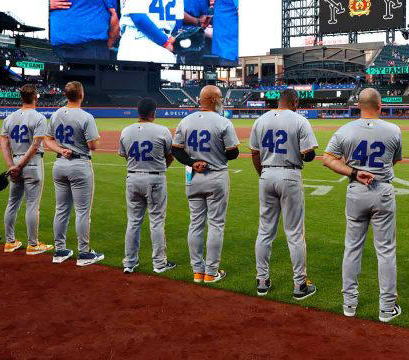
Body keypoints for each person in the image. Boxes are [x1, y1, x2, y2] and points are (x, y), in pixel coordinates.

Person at [322, 88, 402, 323]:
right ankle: (387, 308)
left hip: (356, 189)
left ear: (358, 105)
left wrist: (354, 171)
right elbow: (395, 160)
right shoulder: (393, 129)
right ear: (380, 106)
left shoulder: (345, 130)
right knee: (386, 251)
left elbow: (327, 159)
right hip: (382, 189)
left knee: (352, 248)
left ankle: (349, 303)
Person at [249, 89, 318, 300]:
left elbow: (254, 152)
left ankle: (262, 280)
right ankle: (299, 285)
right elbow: (309, 155)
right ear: (295, 102)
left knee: (265, 231)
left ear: (279, 101)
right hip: (289, 175)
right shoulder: (300, 121)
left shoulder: (260, 120)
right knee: (295, 233)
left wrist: (264, 174)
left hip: (267, 174)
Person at [172, 85, 239, 283]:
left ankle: (197, 271)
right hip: (216, 175)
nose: (221, 101)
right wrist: (216, 153)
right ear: (211, 99)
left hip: (193, 177)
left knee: (195, 224)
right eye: (219, 98)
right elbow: (233, 152)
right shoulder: (223, 122)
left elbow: (176, 150)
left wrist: (193, 162)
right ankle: (211, 272)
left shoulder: (185, 121)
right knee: (216, 224)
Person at [44, 81, 104, 266]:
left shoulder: (56, 114)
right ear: (81, 94)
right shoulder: (86, 116)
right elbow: (93, 145)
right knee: (82, 211)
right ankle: (84, 253)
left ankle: (60, 250)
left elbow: (48, 140)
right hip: (79, 164)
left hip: (60, 164)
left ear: (66, 95)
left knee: (61, 209)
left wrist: (61, 150)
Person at [119, 98, 176, 274]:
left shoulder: (126, 131)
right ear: (153, 112)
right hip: (155, 178)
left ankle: (129, 262)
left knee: (133, 222)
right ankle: (159, 263)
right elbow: (170, 155)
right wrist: (159, 168)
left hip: (133, 177)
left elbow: (125, 155)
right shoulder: (162, 130)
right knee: (157, 222)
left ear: (138, 112)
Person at [0, 85, 54, 255]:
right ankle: (33, 244)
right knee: (32, 205)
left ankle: (9, 242)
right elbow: (36, 146)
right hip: (31, 164)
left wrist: (11, 166)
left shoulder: (9, 118)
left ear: (21, 97)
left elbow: (4, 144)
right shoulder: (39, 118)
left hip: (15, 162)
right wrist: (20, 165)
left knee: (12, 203)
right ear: (35, 97)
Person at [49, 0, 119, 60]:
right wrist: (44, 5)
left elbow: (114, 15)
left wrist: (108, 44)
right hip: (54, 48)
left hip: (91, 49)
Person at [117, 0, 182, 63]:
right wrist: (170, 41)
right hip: (167, 46)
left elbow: (138, 18)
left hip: (137, 42)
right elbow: (178, 22)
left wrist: (165, 43)